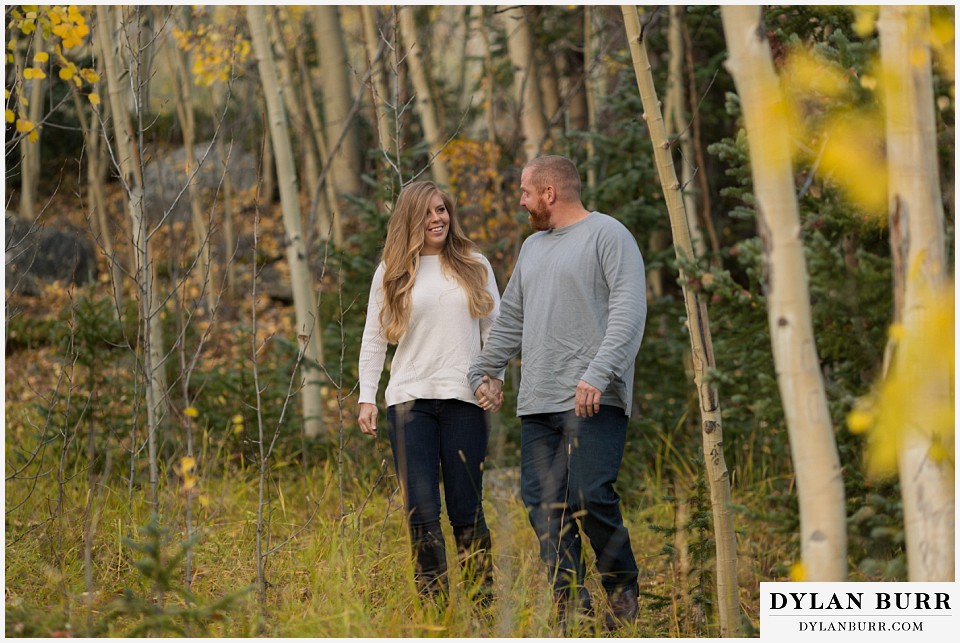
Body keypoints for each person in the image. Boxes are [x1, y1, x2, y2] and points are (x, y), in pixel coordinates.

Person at [468, 155, 646, 631]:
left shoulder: (610, 235)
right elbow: (511, 321)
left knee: (591, 495)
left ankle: (621, 588)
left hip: (594, 397)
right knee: (542, 504)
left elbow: (629, 314)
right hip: (539, 400)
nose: (522, 201)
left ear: (550, 193)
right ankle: (572, 606)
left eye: (526, 192)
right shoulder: (532, 248)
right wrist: (485, 370)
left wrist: (598, 374)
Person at [358, 180, 502, 605]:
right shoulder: (391, 270)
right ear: (410, 219)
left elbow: (494, 329)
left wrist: (494, 379)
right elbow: (373, 336)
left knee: (466, 511)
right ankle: (435, 613)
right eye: (428, 212)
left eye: (442, 210)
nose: (438, 218)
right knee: (421, 511)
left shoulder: (475, 263)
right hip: (408, 403)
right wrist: (368, 394)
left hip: (464, 401)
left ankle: (481, 609)